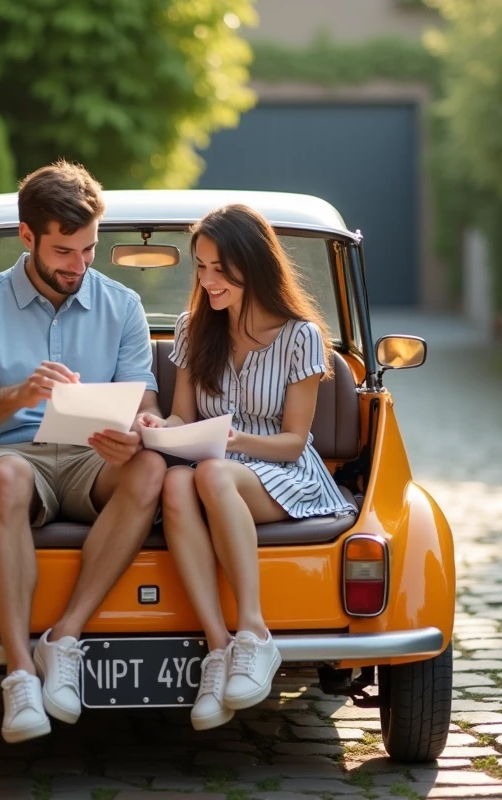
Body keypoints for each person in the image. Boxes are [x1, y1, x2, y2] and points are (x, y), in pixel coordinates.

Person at [0, 160, 167, 743]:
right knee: (10, 480)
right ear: (27, 236)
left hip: (94, 456)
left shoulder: (122, 306)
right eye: (65, 251)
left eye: (88, 249)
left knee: (150, 467)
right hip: (8, 457)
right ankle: (19, 673)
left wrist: (141, 430)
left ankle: (63, 638)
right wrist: (21, 392)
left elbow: (149, 405)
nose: (79, 265)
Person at [137, 204, 357, 731]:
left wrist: (234, 439)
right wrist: (160, 426)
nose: (208, 281)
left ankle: (255, 634)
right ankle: (219, 649)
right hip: (214, 463)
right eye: (201, 267)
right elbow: (182, 416)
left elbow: (292, 442)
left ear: (253, 265)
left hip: (285, 471)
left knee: (207, 475)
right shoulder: (195, 327)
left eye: (220, 269)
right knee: (175, 479)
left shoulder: (300, 335)